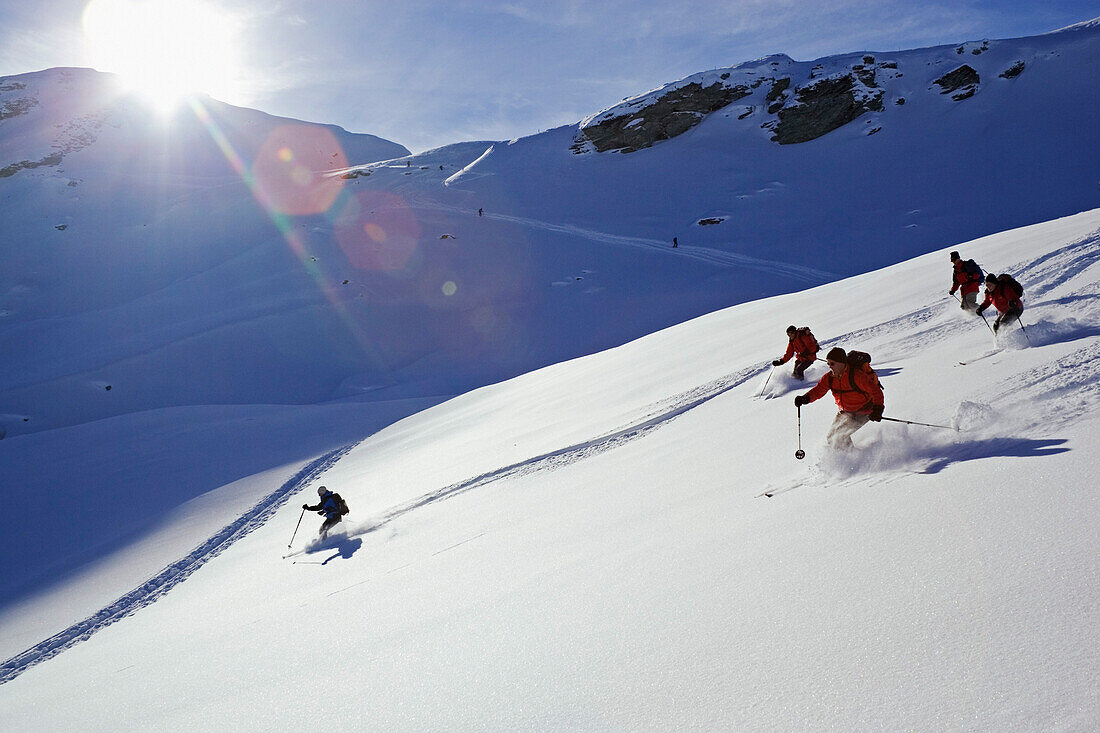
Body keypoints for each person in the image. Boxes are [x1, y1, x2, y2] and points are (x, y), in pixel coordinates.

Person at [794, 347, 884, 450]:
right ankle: (846, 457)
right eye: (828, 364)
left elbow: (876, 391)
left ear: (842, 363)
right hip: (845, 412)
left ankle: (852, 459)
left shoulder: (857, 376)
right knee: (831, 438)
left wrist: (878, 409)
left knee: (839, 437)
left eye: (832, 364)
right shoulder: (829, 378)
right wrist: (805, 398)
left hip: (863, 412)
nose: (830, 367)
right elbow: (818, 390)